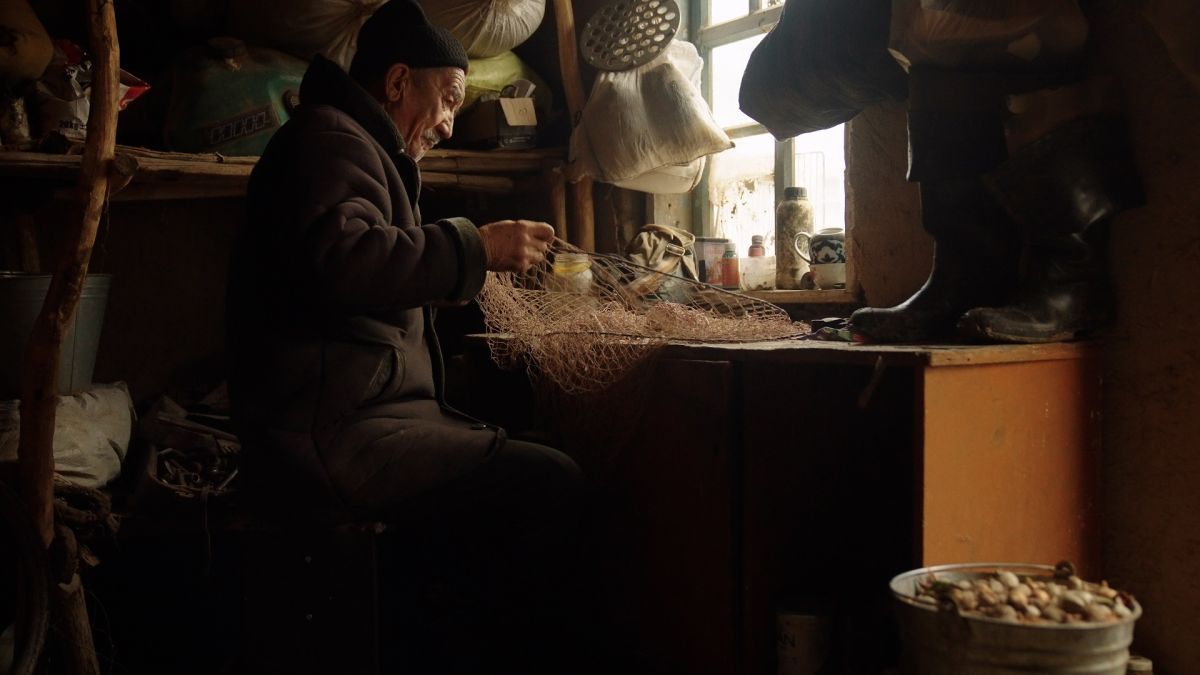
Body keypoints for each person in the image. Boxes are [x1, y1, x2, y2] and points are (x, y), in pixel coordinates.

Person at [224, 1, 582, 672]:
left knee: (530, 451)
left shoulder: (358, 146)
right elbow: (345, 260)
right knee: (550, 481)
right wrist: (477, 246)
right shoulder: (328, 140)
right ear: (396, 84)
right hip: (329, 435)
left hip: (361, 421)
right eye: (446, 99)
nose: (449, 123)